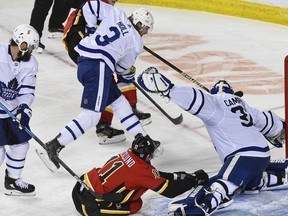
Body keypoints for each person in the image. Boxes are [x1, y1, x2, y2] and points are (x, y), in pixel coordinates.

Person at [137, 68, 286, 215]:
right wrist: (280, 127)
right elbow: (267, 122)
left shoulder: (215, 102)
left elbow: (196, 98)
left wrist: (168, 90)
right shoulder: (242, 104)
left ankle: (204, 205)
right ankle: (270, 179)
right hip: (263, 155)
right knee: (247, 180)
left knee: (223, 182)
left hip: (243, 155)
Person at [44, 2, 158, 170]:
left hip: (86, 60)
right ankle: (55, 144)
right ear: (139, 24)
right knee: (92, 115)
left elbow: (90, 5)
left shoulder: (117, 13)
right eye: (146, 28)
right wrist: (129, 71)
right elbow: (121, 69)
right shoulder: (137, 43)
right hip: (99, 66)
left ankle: (142, 138)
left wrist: (90, 29)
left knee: (120, 104)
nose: (146, 32)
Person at [63, 0, 152, 145]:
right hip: (78, 35)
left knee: (110, 80)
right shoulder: (103, 6)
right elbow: (86, 7)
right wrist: (91, 30)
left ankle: (123, 114)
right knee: (110, 75)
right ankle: (106, 124)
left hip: (87, 47)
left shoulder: (116, 13)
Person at [72, 133, 209, 215]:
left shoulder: (128, 154)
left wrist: (178, 175)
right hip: (89, 207)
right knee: (135, 205)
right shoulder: (141, 170)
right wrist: (194, 181)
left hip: (80, 189)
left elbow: (152, 175)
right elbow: (170, 191)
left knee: (133, 192)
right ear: (147, 155)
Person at [0, 24, 39, 196]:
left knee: (21, 145)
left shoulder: (30, 64)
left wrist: (24, 109)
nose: (31, 51)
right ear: (22, 43)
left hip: (12, 111)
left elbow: (27, 90)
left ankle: (12, 181)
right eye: (29, 47)